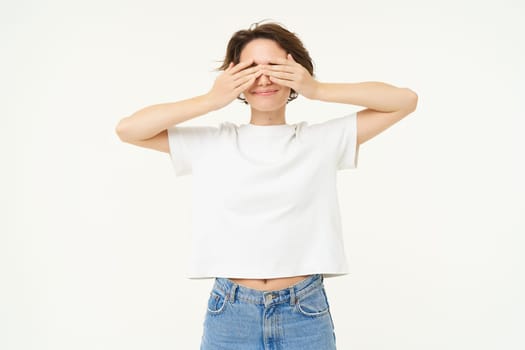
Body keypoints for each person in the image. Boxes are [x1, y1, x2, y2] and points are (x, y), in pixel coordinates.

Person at [115, 20, 417, 350]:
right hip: (231, 311)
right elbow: (129, 130)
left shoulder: (321, 140)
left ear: (296, 70)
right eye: (250, 69)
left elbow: (404, 100)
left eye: (275, 66)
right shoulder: (212, 143)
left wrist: (317, 89)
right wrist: (211, 99)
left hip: (304, 310)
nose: (263, 78)